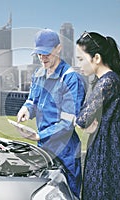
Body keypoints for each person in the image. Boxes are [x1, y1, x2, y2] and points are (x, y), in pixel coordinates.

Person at [16, 28, 86, 198]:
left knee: (68, 194)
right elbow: (32, 100)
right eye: (39, 53)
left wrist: (41, 135)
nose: (42, 58)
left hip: (66, 151)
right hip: (44, 148)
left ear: (58, 49)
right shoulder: (38, 74)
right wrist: (26, 108)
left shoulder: (71, 78)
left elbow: (67, 122)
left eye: (46, 53)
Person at [74, 31, 120, 199]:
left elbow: (83, 119)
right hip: (108, 143)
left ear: (96, 58)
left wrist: (82, 119)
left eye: (81, 59)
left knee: (101, 190)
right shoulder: (110, 79)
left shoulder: (106, 82)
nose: (79, 65)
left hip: (104, 148)